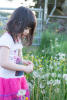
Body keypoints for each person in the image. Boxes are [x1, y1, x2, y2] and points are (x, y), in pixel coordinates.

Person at [0, 6, 36, 100]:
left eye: (29, 29)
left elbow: (18, 59)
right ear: (16, 23)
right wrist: (24, 68)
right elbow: (4, 63)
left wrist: (25, 62)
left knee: (20, 97)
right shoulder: (6, 39)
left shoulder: (18, 39)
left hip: (18, 79)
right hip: (7, 81)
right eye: (26, 28)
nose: (27, 32)